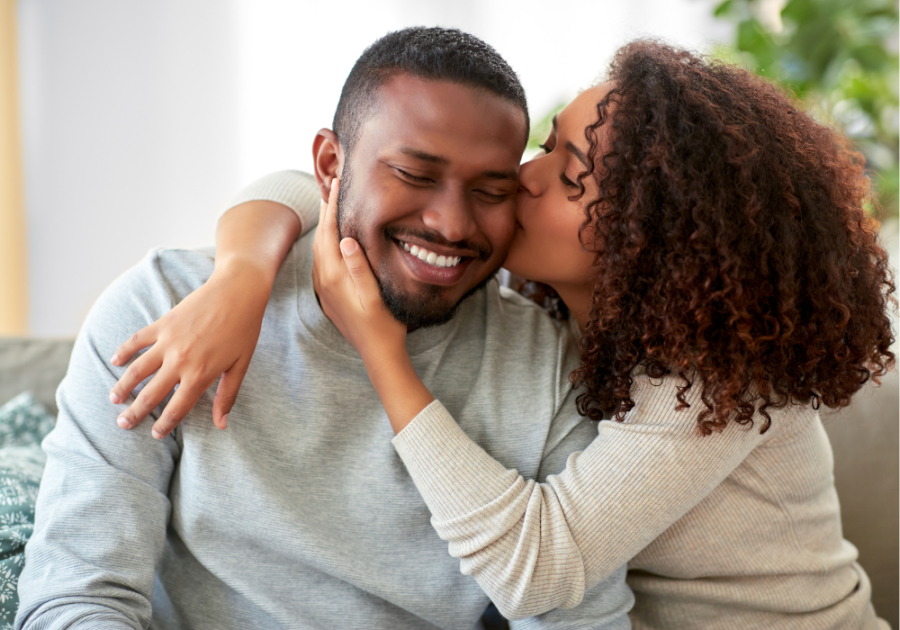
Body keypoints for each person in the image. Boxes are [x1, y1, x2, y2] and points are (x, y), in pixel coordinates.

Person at [107, 41, 895, 629]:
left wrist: (383, 352)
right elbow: (321, 184)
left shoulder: (712, 378)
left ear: (645, 237)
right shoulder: (571, 311)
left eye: (567, 172)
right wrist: (242, 276)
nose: (526, 176)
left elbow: (540, 568)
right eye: (547, 145)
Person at [15, 27, 634, 630]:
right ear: (330, 164)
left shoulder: (551, 369)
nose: (450, 223)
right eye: (415, 175)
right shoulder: (165, 306)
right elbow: (76, 598)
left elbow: (576, 616)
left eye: (490, 189)